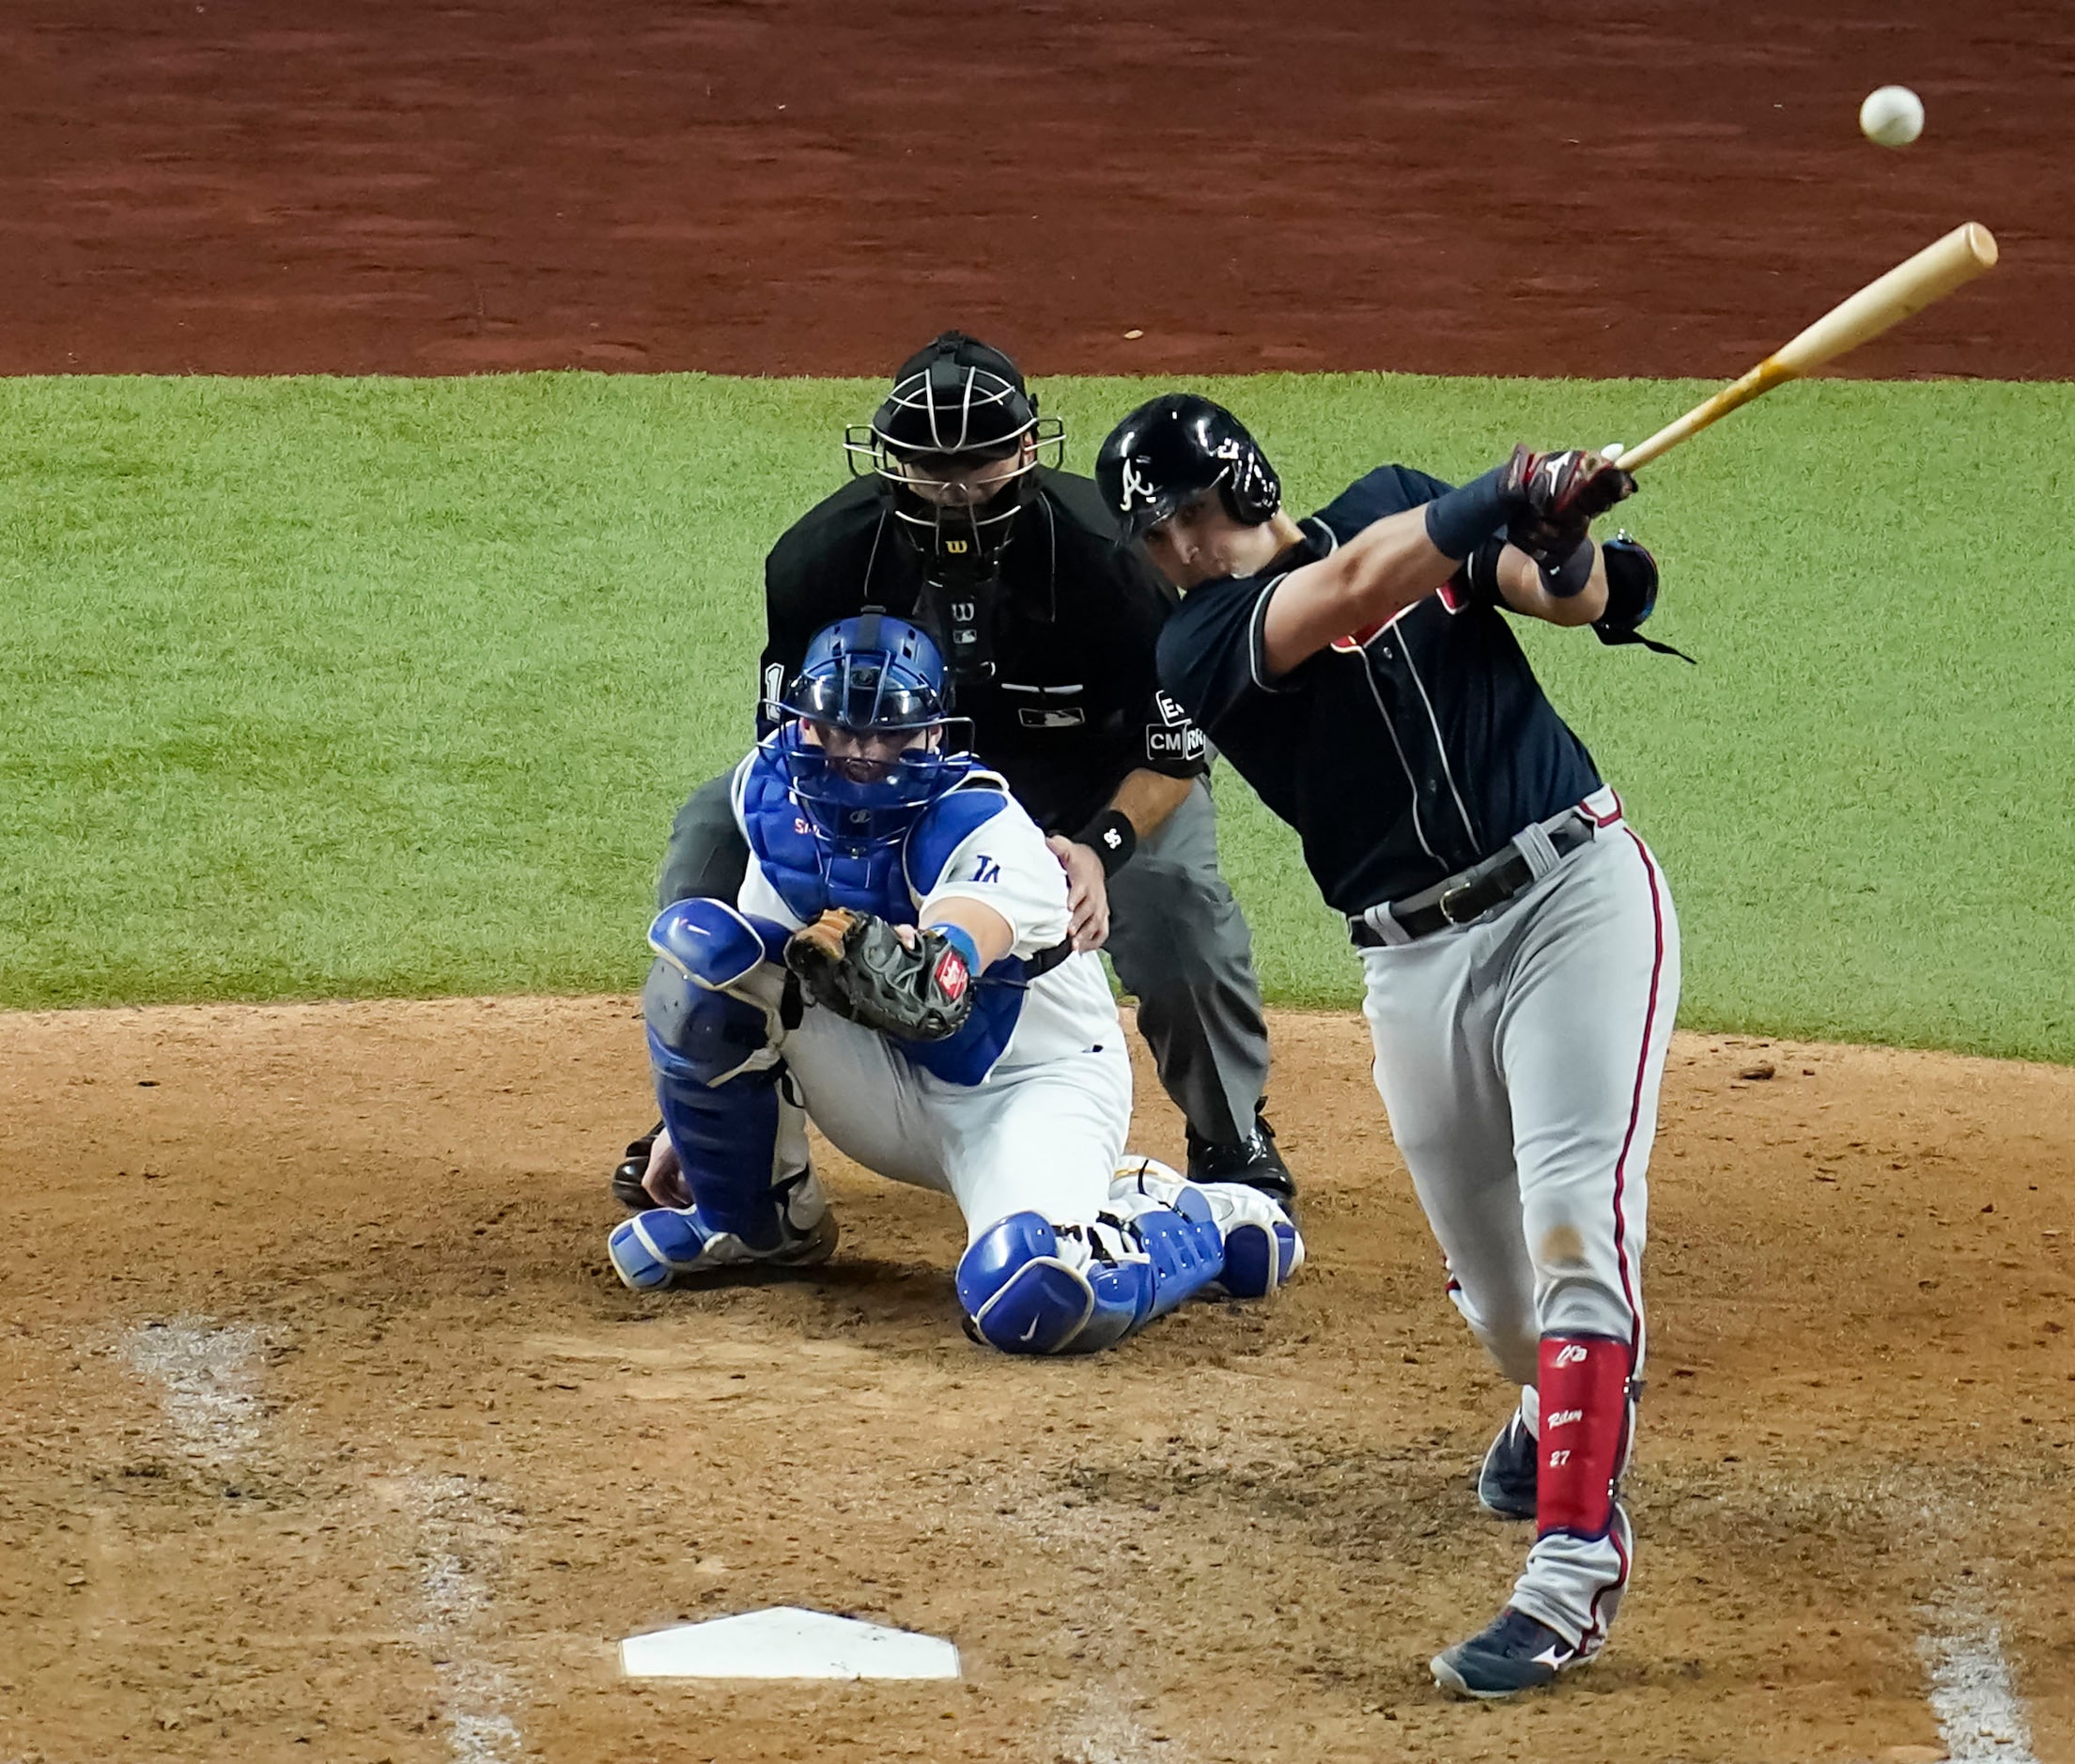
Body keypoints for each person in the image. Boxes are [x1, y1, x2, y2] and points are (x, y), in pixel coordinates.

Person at [1094, 395, 1679, 1696]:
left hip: (1576, 895)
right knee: (1499, 1294)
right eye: (1156, 534)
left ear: (1242, 485)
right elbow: (1353, 587)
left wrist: (1560, 532)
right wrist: (1495, 495)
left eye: (1188, 515)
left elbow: (1567, 598)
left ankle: (1573, 1572)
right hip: (1414, 960)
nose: (1178, 548)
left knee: (1579, 1226)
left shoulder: (1397, 500)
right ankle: (1550, 1399)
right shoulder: (1200, 642)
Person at [617, 331, 1289, 1213]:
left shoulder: (1112, 560)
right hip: (899, 787)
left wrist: (1099, 849)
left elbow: (1174, 748)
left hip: (1094, 784)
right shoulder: (819, 558)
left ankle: (1229, 1132)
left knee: (1174, 903)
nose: (955, 488)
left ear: (1025, 450)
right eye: (929, 465)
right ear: (887, 460)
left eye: (979, 461)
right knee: (715, 831)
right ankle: (709, 1099)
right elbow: (794, 745)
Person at [610, 611, 1302, 1354]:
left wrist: (928, 953)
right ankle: (753, 1224)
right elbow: (760, 974)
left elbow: (943, 973)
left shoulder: (988, 828)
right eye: (839, 731)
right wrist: (707, 1126)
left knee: (1031, 1295)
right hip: (878, 1082)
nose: (861, 757)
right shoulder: (768, 793)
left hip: (1023, 1087)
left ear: (935, 735)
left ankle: (1200, 1220)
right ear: (802, 724)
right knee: (705, 956)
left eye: (888, 735)